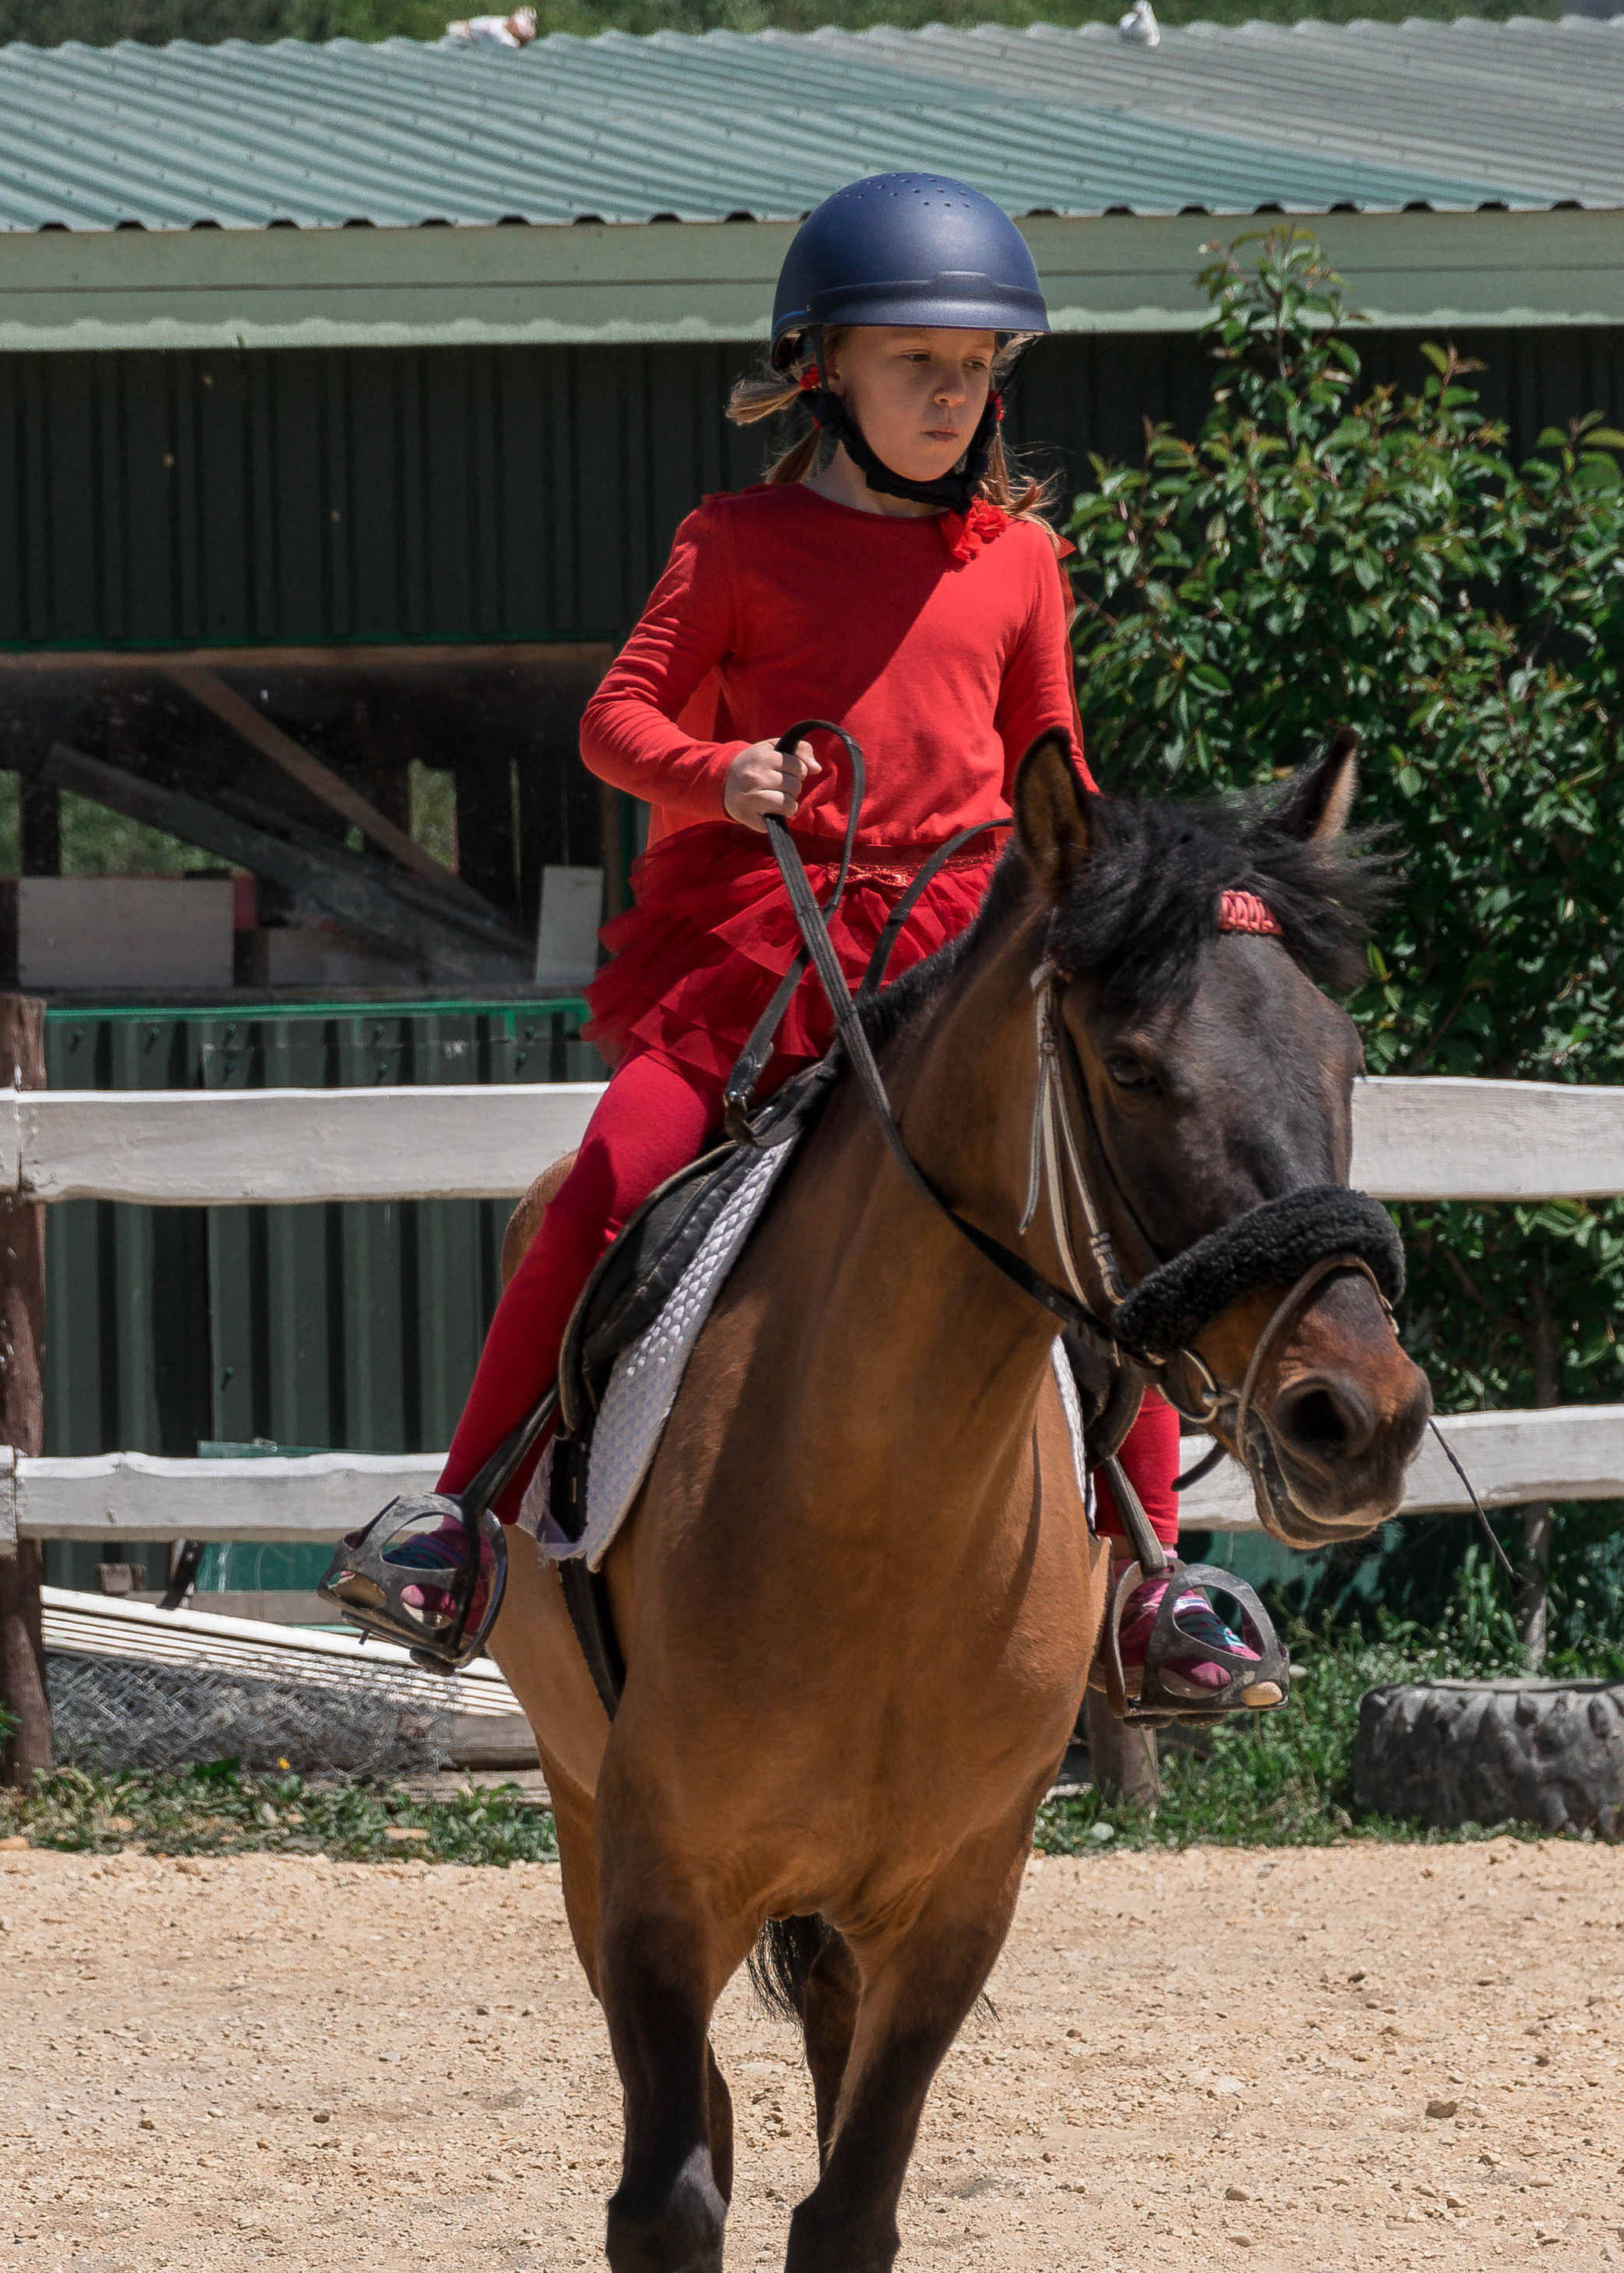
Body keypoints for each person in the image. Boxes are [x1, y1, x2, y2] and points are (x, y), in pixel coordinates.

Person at [421, 172, 1257, 1706]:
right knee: (610, 1173)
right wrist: (716, 776)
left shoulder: (1018, 563)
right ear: (826, 371)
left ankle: (1157, 1574)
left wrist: (1134, 889)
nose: (952, 393)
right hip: (773, 931)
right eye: (916, 362)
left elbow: (1049, 762)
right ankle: (459, 1521)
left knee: (1114, 1200)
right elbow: (615, 718)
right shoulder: (733, 541)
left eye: (975, 366)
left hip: (967, 941)